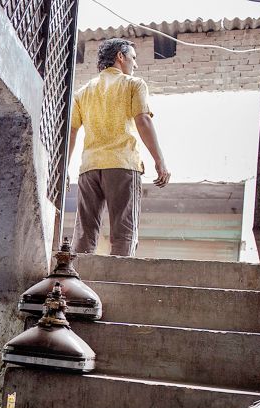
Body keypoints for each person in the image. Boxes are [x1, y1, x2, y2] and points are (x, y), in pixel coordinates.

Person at [68, 37, 170, 257]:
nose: (136, 64)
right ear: (120, 57)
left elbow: (72, 132)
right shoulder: (133, 84)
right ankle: (118, 285)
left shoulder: (83, 92)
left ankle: (75, 285)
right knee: (123, 233)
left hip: (89, 169)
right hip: (122, 165)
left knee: (84, 236)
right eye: (133, 58)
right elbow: (143, 120)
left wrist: (64, 170)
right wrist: (160, 161)